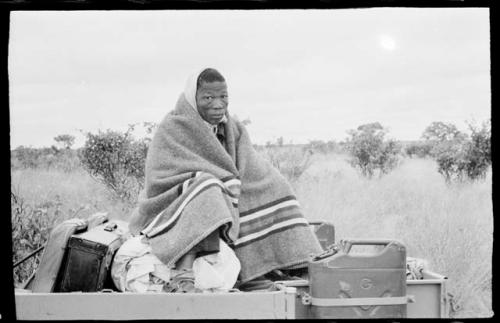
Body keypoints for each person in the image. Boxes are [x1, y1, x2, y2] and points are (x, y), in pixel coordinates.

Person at [128, 68, 323, 293]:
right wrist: (217, 179)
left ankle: (265, 270)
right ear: (193, 98)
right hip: (172, 199)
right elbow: (159, 176)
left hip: (221, 186)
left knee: (274, 184)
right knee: (208, 189)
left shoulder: (232, 127)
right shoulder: (173, 127)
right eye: (208, 98)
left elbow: (247, 162)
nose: (218, 104)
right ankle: (183, 276)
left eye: (224, 97)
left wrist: (238, 181)